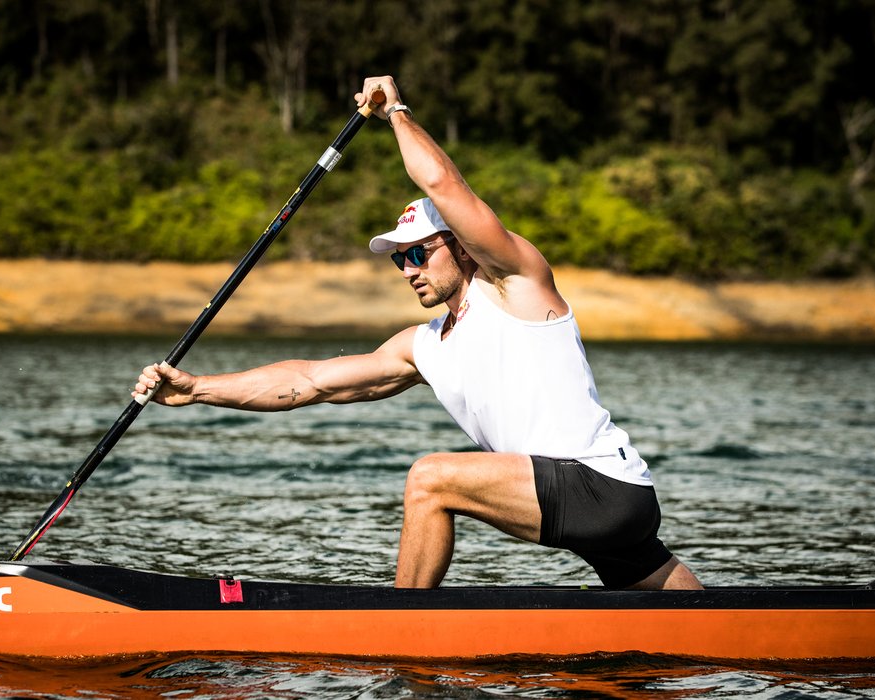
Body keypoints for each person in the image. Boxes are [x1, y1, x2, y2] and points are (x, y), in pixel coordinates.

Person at [133, 75, 702, 591]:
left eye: (419, 253)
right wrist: (198, 389)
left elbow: (446, 185)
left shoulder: (515, 285)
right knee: (684, 616)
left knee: (431, 479)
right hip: (589, 507)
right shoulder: (422, 345)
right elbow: (309, 382)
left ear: (459, 246)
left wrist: (396, 112)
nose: (408, 269)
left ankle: (399, 627)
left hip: (599, 486)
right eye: (397, 259)